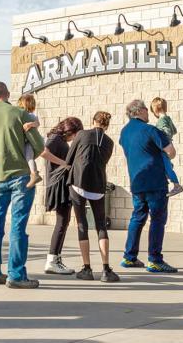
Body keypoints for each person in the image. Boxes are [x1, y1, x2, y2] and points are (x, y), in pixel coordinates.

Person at [0, 81, 45, 289]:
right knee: (18, 225)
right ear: (7, 94)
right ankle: (16, 275)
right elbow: (40, 147)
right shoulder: (20, 114)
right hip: (21, 177)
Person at [119, 99, 178, 273]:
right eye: (146, 109)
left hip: (137, 181)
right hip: (155, 181)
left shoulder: (124, 132)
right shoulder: (151, 130)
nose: (148, 112)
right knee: (158, 219)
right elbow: (171, 152)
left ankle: (129, 257)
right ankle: (155, 259)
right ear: (139, 111)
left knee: (137, 218)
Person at [66, 111, 118, 282]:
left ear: (93, 120)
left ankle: (87, 268)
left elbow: (69, 157)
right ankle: (106, 269)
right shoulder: (109, 142)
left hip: (78, 183)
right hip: (98, 185)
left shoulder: (81, 134)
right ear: (107, 125)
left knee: (82, 224)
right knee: (101, 226)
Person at [43, 117, 82, 275]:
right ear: (70, 130)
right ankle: (52, 260)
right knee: (61, 222)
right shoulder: (55, 139)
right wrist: (63, 163)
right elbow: (43, 151)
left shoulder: (58, 139)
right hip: (58, 183)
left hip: (60, 183)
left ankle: (55, 258)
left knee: (63, 222)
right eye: (75, 134)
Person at [150, 98, 183, 197]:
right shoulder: (167, 118)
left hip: (164, 147)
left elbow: (167, 132)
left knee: (168, 167)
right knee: (167, 165)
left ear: (155, 109)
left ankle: (177, 185)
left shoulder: (162, 120)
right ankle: (169, 176)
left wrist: (161, 138)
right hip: (168, 146)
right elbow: (174, 130)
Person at [17, 94, 44, 188]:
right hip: (25, 141)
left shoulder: (31, 115)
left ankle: (34, 174)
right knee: (28, 157)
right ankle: (33, 173)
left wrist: (30, 124)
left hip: (30, 142)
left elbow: (37, 123)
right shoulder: (22, 115)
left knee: (29, 157)